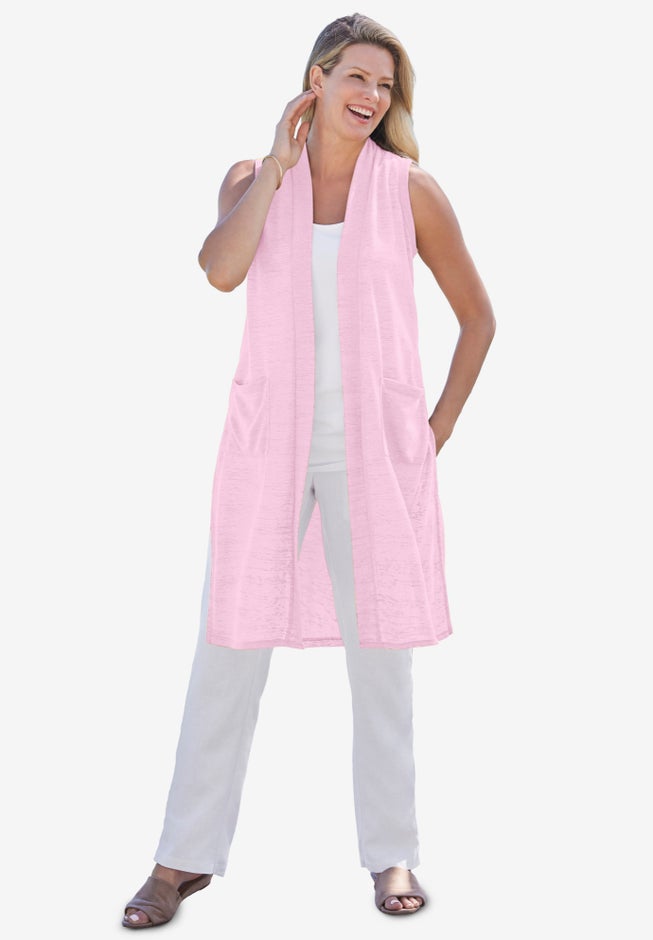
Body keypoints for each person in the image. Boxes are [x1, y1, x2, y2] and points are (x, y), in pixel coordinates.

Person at [122, 12, 495, 927]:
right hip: (268, 451)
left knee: (382, 665)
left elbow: (478, 318)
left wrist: (433, 430)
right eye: (356, 77)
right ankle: (180, 859)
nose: (371, 96)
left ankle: (391, 853)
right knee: (226, 651)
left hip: (373, 456)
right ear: (316, 80)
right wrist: (274, 167)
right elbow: (219, 271)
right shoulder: (253, 178)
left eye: (385, 85)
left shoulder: (409, 190)